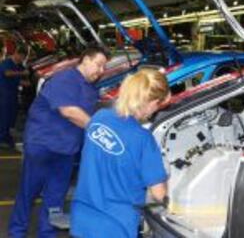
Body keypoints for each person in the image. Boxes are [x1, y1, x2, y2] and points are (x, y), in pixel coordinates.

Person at [8, 46, 109, 238]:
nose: (101, 71)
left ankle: (46, 233)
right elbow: (69, 111)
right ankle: (16, 232)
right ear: (86, 59)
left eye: (104, 67)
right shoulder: (65, 79)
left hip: (66, 149)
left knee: (56, 196)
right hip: (43, 145)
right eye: (99, 65)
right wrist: (100, 132)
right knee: (29, 191)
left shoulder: (90, 88)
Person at [70, 68, 170, 238]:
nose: (156, 110)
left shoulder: (99, 118)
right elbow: (159, 194)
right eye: (159, 105)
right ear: (151, 102)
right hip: (116, 226)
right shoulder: (143, 139)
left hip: (82, 218)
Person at [0, 45, 29, 149]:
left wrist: (25, 80)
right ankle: (2, 139)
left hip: (13, 94)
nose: (22, 60)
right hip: (4, 94)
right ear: (17, 54)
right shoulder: (7, 63)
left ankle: (7, 136)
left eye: (23, 58)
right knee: (4, 116)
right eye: (21, 57)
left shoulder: (18, 64)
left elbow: (19, 77)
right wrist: (22, 73)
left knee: (11, 116)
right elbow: (7, 73)